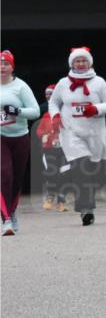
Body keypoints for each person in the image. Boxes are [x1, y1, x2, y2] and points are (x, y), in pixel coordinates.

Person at [48, 47, 106, 226]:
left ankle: (79, 191)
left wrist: (96, 109)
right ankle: (86, 209)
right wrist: (55, 116)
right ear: (72, 63)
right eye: (77, 61)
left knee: (95, 171)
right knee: (81, 166)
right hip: (71, 132)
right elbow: (54, 103)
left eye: (84, 60)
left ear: (90, 62)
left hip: (94, 133)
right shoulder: (63, 83)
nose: (80, 64)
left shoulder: (99, 82)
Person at [1, 49, 41, 235]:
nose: (2, 67)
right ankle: (6, 220)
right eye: (0, 63)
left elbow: (35, 111)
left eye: (6, 63)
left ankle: (12, 212)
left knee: (17, 179)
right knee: (4, 175)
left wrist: (18, 112)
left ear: (12, 67)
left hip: (20, 137)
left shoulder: (21, 87)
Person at [35, 85, 68, 211]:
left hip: (64, 149)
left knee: (64, 174)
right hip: (48, 149)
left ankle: (61, 201)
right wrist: (44, 135)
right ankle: (50, 196)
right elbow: (39, 131)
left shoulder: (65, 113)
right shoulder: (45, 115)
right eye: (47, 94)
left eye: (51, 93)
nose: (48, 96)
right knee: (51, 173)